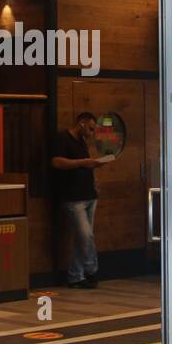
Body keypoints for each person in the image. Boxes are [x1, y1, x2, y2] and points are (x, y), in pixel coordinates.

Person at [52, 112, 109, 289]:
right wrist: (84, 162)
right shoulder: (62, 138)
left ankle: (76, 276)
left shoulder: (82, 141)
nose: (92, 134)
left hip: (89, 195)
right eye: (91, 129)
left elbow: (85, 166)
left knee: (81, 238)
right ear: (82, 123)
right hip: (73, 197)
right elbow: (56, 162)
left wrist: (93, 175)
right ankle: (91, 269)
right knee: (86, 235)